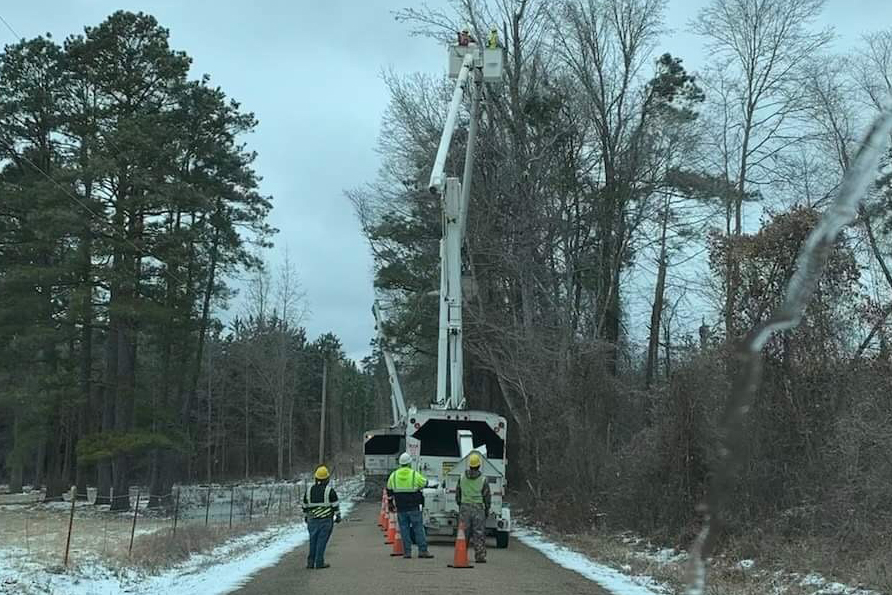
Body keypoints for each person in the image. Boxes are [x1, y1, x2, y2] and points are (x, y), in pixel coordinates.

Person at [386, 452, 434, 559]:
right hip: (414, 507)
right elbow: (425, 483)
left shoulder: (393, 475)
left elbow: (389, 489)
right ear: (409, 463)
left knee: (404, 530)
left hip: (401, 507)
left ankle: (407, 552)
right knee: (418, 529)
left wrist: (390, 503)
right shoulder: (414, 474)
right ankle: (423, 551)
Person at [302, 465, 341, 569]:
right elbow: (335, 505)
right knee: (321, 541)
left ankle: (310, 562)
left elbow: (305, 505)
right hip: (326, 521)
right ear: (327, 479)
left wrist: (306, 516)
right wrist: (338, 516)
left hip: (312, 521)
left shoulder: (309, 490)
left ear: (316, 478)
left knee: (313, 540)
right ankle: (319, 562)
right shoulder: (330, 491)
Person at [456, 451, 491, 563]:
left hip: (464, 507)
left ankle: (461, 554)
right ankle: (480, 556)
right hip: (478, 508)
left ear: (469, 465)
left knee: (463, 533)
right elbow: (487, 496)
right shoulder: (483, 479)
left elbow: (458, 494)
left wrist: (460, 504)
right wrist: (487, 508)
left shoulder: (461, 477)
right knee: (479, 533)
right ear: (479, 465)